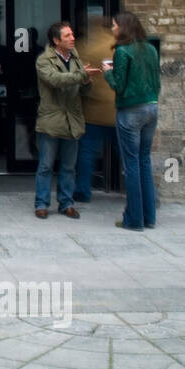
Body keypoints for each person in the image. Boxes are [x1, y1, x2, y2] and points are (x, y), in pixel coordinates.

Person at [34, 21, 101, 219]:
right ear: (56, 40)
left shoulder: (76, 58)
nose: (73, 38)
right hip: (52, 120)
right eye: (67, 36)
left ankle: (66, 203)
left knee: (69, 167)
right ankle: (42, 204)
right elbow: (56, 80)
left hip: (72, 120)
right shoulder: (43, 60)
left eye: (72, 34)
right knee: (46, 165)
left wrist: (87, 81)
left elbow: (83, 89)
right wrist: (81, 75)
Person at [105, 12, 161, 231]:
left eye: (114, 25)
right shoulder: (150, 49)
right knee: (144, 162)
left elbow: (119, 84)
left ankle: (134, 219)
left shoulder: (122, 51)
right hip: (152, 107)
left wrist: (107, 72)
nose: (112, 29)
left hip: (130, 110)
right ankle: (150, 217)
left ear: (123, 28)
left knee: (131, 165)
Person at [74, 16, 118, 202]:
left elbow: (79, 76)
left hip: (93, 112)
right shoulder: (117, 46)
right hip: (117, 110)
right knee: (132, 156)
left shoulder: (85, 48)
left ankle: (83, 191)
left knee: (86, 153)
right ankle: (146, 194)